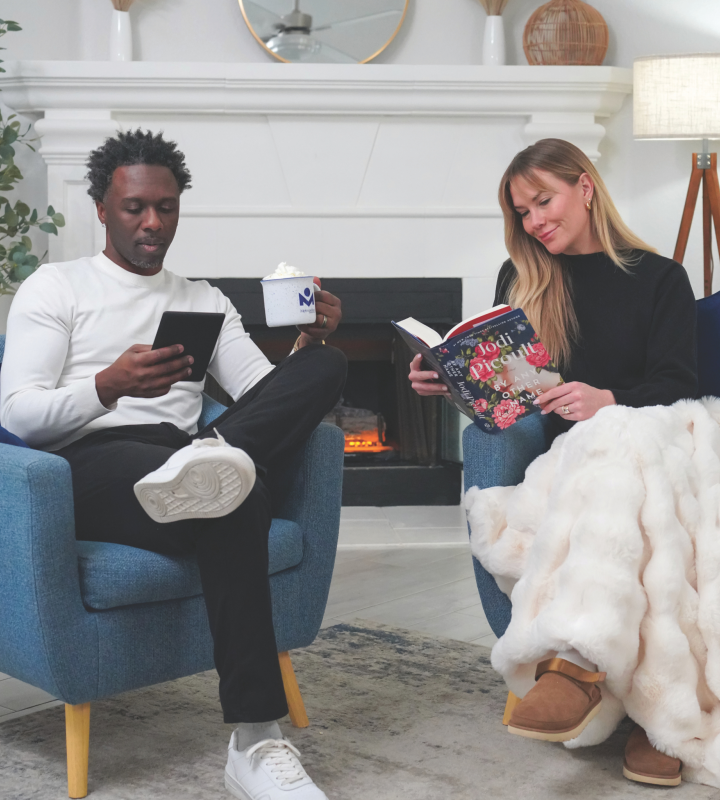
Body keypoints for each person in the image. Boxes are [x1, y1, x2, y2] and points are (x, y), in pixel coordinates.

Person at [0, 129, 347, 800]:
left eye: (166, 206)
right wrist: (110, 385)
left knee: (321, 373)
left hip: (186, 459)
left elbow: (259, 395)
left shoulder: (205, 299)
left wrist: (310, 344)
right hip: (91, 462)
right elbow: (18, 415)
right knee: (231, 490)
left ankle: (254, 743)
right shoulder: (57, 288)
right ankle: (255, 738)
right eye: (134, 208)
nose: (152, 221)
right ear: (102, 207)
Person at [408, 138, 697, 787]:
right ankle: (543, 663)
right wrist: (451, 383)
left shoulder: (659, 278)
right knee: (484, 439)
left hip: (631, 442)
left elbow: (679, 383)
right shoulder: (523, 280)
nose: (535, 221)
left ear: (585, 187)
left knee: (613, 445)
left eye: (545, 200)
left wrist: (608, 401)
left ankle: (587, 676)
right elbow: (510, 398)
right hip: (548, 449)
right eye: (522, 212)